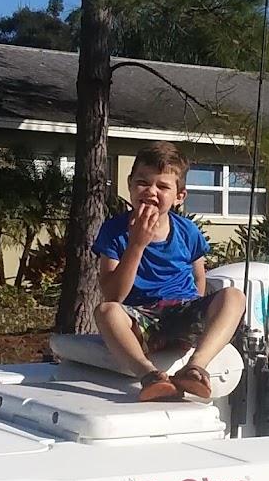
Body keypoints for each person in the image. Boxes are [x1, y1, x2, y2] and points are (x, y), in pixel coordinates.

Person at [92, 142, 246, 402]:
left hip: (183, 312)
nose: (151, 191)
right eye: (142, 182)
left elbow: (199, 277)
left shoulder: (187, 231)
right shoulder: (114, 231)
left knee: (234, 296)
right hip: (142, 319)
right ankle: (150, 376)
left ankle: (195, 367)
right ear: (129, 185)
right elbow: (112, 295)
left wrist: (195, 313)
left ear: (179, 196)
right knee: (105, 312)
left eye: (162, 186)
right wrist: (137, 243)